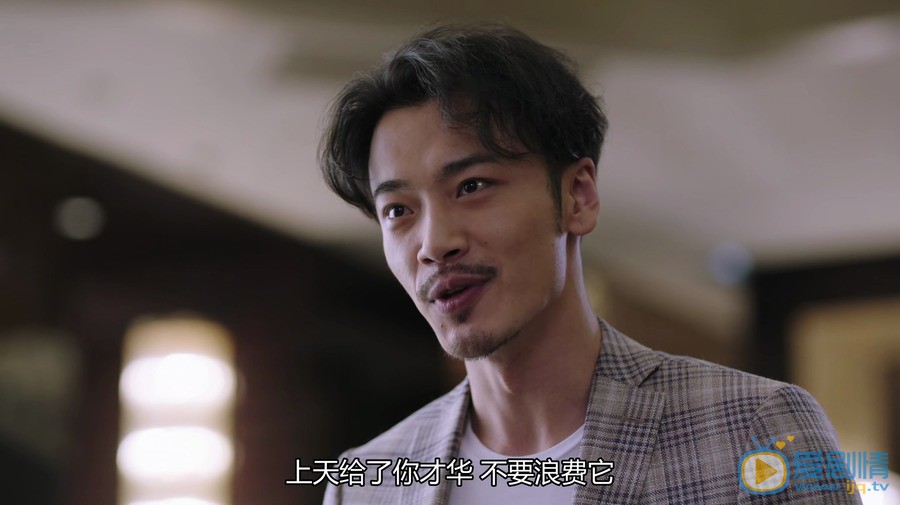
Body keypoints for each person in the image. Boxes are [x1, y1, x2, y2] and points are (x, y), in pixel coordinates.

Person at [317, 22, 860, 504]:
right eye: (398, 211)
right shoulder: (365, 484)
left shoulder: (755, 431)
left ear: (578, 197)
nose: (434, 244)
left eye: (472, 186)